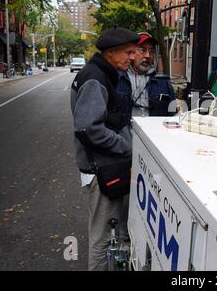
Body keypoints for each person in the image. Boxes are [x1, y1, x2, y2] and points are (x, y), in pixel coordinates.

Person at [70, 27, 139, 270]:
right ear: (110, 52)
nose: (133, 57)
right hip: (101, 170)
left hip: (105, 166)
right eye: (129, 52)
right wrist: (125, 147)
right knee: (102, 237)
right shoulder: (95, 78)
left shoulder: (102, 72)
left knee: (112, 231)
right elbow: (88, 128)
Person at [128, 32, 177, 117]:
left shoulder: (164, 82)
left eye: (151, 51)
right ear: (132, 53)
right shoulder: (118, 79)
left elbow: (173, 114)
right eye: (143, 50)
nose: (148, 55)